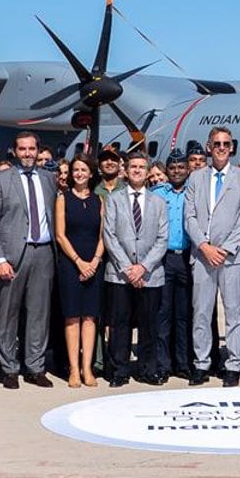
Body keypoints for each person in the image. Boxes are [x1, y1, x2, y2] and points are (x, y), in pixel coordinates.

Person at [0, 131, 59, 389]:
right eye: (22, 149)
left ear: (38, 151)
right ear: (14, 152)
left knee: (39, 313)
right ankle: (9, 368)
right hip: (13, 254)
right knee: (8, 314)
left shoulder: (50, 179)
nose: (27, 153)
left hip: (44, 252)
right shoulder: (1, 179)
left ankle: (35, 367)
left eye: (32, 149)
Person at [185, 127, 240, 387]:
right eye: (217, 143)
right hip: (203, 256)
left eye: (226, 143)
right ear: (208, 146)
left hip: (231, 257)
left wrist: (224, 248)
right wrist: (204, 246)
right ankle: (201, 363)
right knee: (202, 312)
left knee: (234, 312)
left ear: (232, 147)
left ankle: (233, 365)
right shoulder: (196, 178)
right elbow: (189, 216)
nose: (222, 147)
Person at [102, 151, 169, 385]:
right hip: (121, 275)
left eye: (141, 167)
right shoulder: (114, 199)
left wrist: (143, 267)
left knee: (148, 326)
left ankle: (147, 369)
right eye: (133, 167)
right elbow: (109, 235)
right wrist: (128, 268)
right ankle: (119, 371)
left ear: (148, 171)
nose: (137, 170)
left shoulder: (159, 202)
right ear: (126, 171)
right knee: (120, 325)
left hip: (150, 275)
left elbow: (163, 238)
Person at [54, 157, 105, 387]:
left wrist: (94, 261)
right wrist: (78, 262)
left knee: (90, 317)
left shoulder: (99, 200)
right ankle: (74, 369)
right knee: (72, 316)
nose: (79, 173)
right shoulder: (63, 199)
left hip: (94, 263)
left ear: (91, 173)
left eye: (83, 169)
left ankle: (87, 368)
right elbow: (60, 235)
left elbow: (104, 234)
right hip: (71, 264)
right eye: (75, 170)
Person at [153, 152, 194, 379]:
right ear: (166, 170)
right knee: (164, 313)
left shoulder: (194, 193)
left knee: (184, 313)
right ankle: (163, 364)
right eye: (173, 167)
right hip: (164, 258)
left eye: (181, 167)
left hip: (187, 257)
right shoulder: (157, 194)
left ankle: (183, 362)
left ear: (187, 169)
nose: (177, 170)